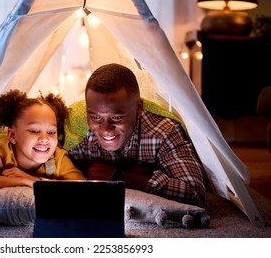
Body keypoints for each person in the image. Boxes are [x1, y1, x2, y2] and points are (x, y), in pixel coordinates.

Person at [68, 63, 206, 207]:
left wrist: (120, 176)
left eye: (116, 117)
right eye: (96, 117)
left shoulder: (164, 132)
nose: (106, 129)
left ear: (139, 108)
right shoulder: (76, 133)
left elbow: (194, 194)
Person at [0, 89, 85, 196]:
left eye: (51, 132)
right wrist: (17, 181)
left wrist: (30, 180)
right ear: (12, 135)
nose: (44, 139)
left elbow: (82, 189)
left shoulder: (58, 158)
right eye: (34, 131)